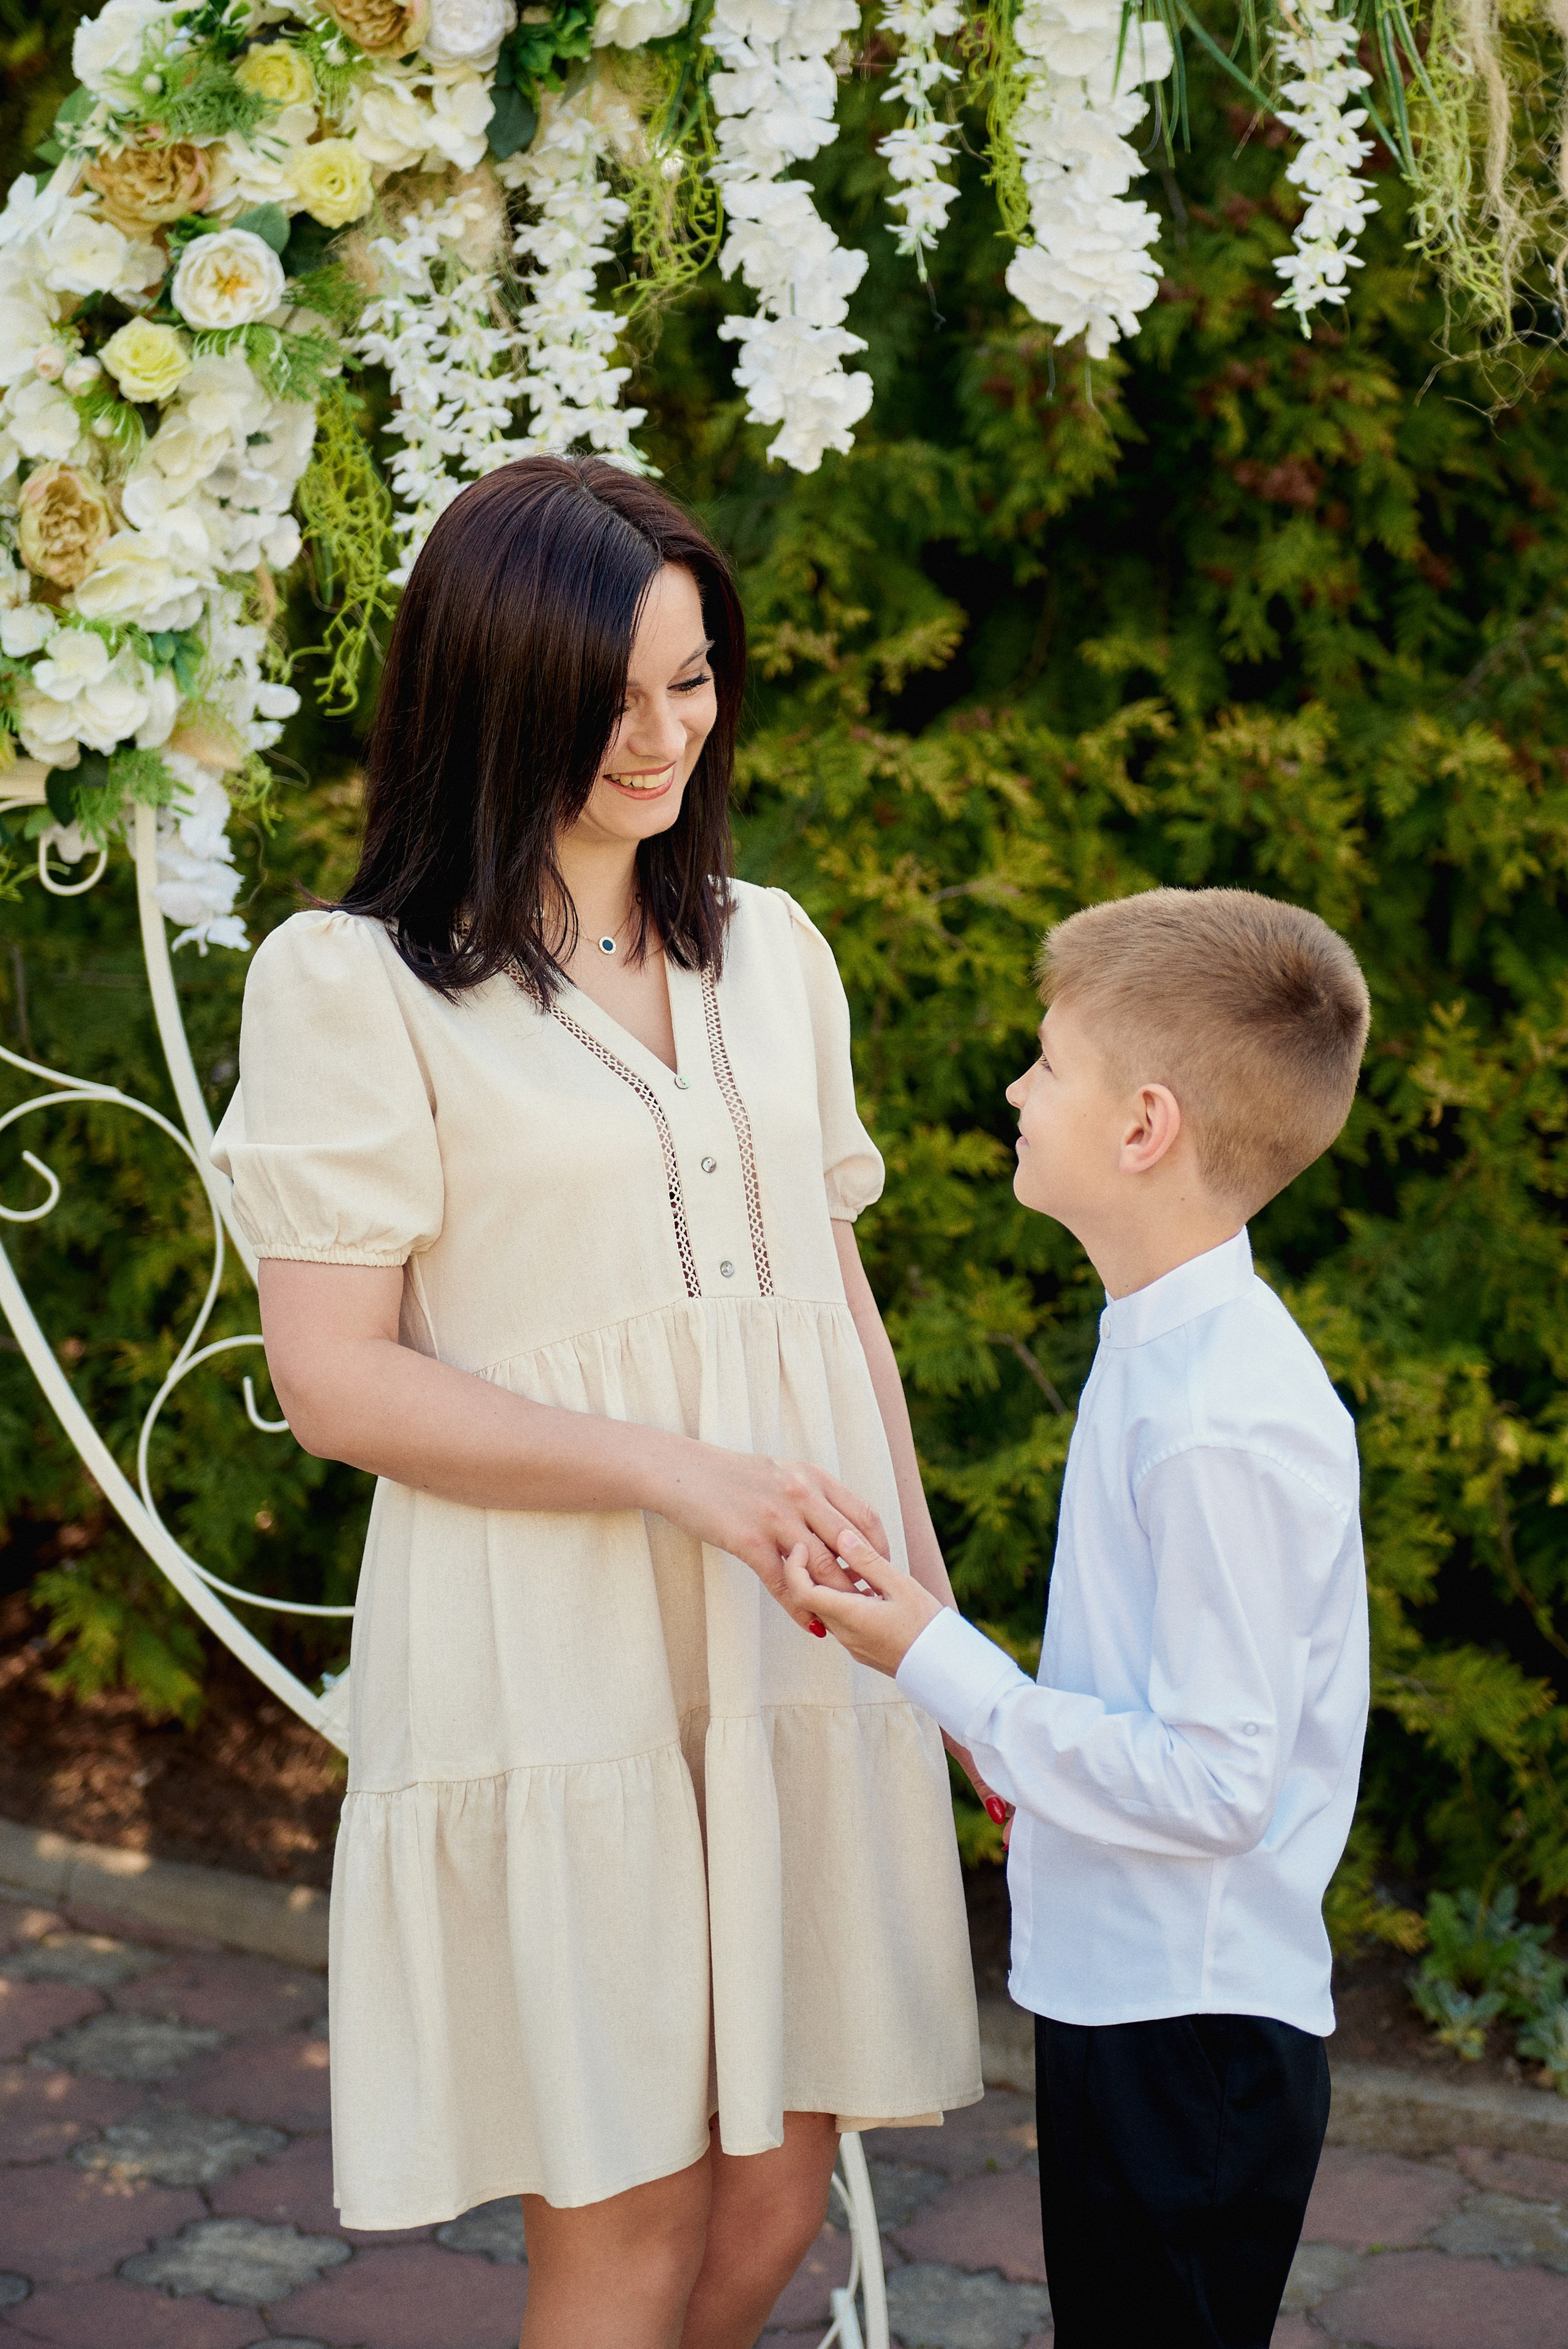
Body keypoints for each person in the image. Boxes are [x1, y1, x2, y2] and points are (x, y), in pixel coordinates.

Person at [213, 455, 981, 2349]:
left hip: (794, 1634)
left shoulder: (772, 950)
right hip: (557, 1648)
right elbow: (333, 1380)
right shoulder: (355, 984)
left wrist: (943, 1640)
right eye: (609, 695)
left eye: (693, 680)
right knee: (627, 2226)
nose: (663, 737)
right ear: (492, 693)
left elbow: (837, 1310)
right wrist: (677, 1472)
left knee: (773, 2202)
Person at [787, 887, 1372, 2349]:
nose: (1013, 1090)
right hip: (1135, 2001)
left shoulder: (1216, 1418)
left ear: (1142, 1128)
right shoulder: (1163, 1351)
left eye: (1047, 1064)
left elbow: (1218, 1783)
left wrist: (933, 1661)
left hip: (1190, 2035)